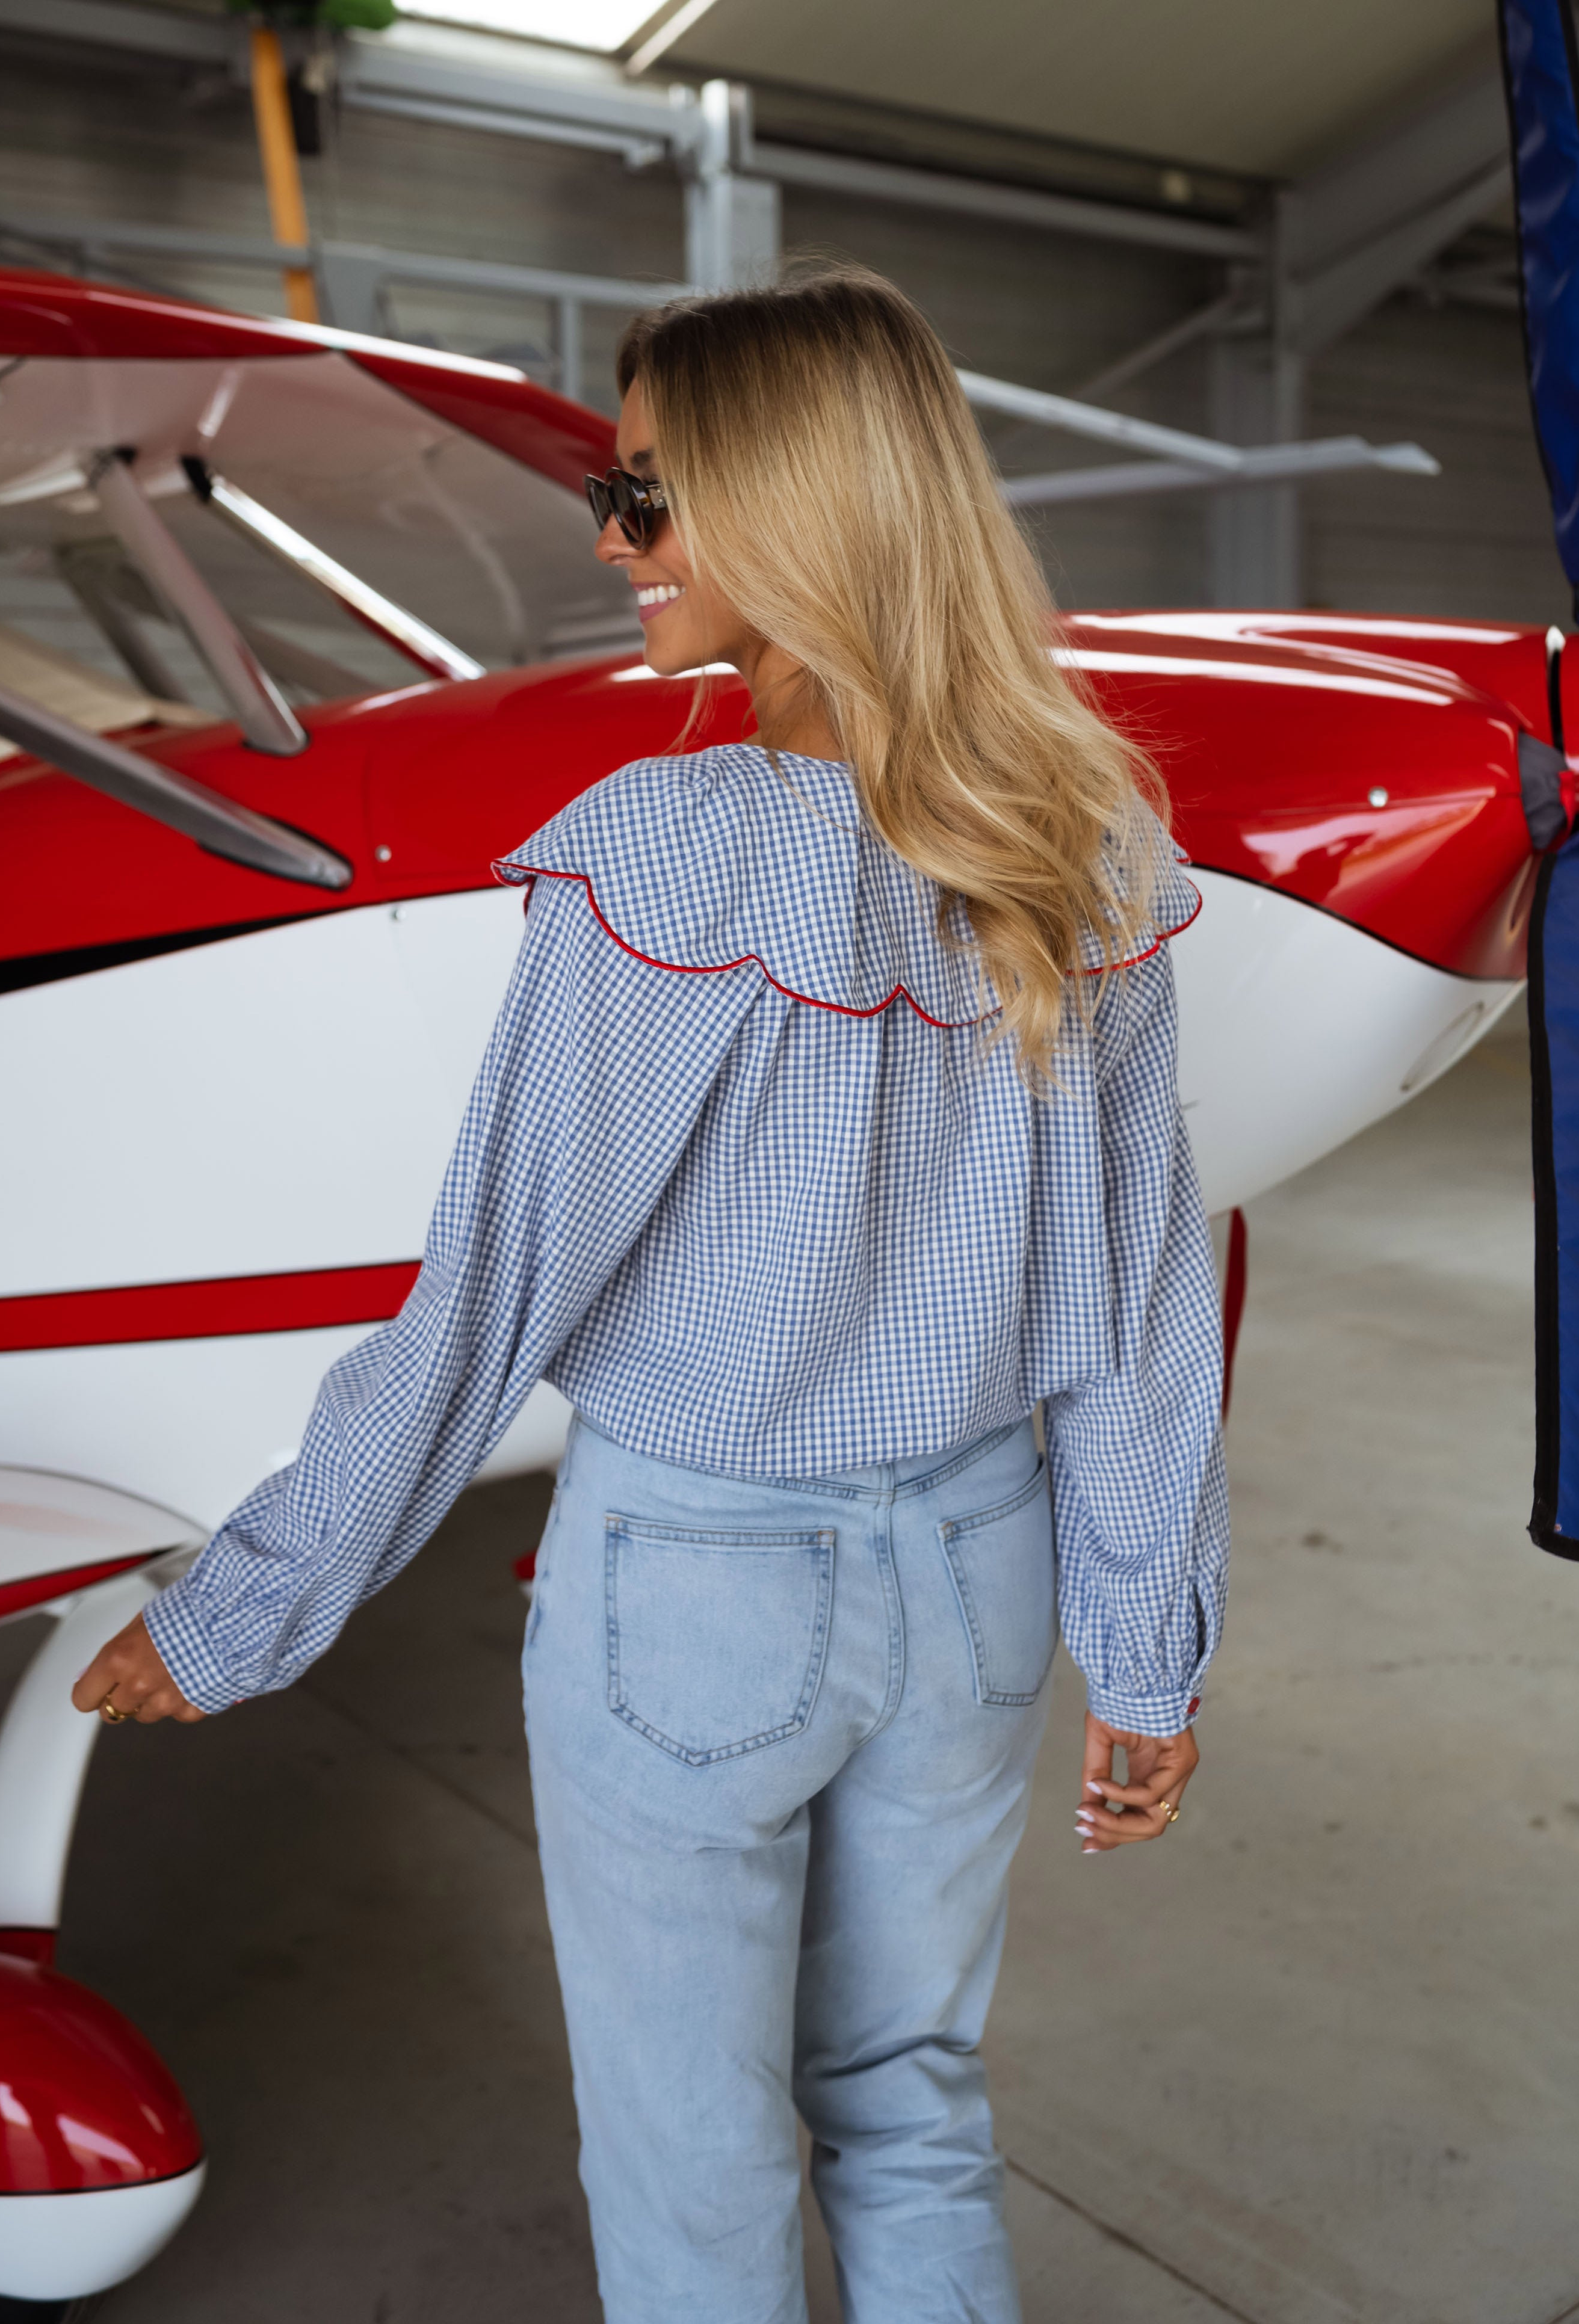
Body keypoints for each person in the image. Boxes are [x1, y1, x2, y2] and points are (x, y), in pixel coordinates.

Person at [74, 265, 1227, 2324]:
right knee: (911, 2102)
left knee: (696, 2175)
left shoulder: (666, 850)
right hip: (980, 1579)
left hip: (693, 1592)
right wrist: (1144, 1652)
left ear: (795, 512)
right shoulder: (1092, 838)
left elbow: (494, 1288)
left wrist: (244, 1607)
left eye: (649, 497)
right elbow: (1134, 1311)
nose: (612, 545)